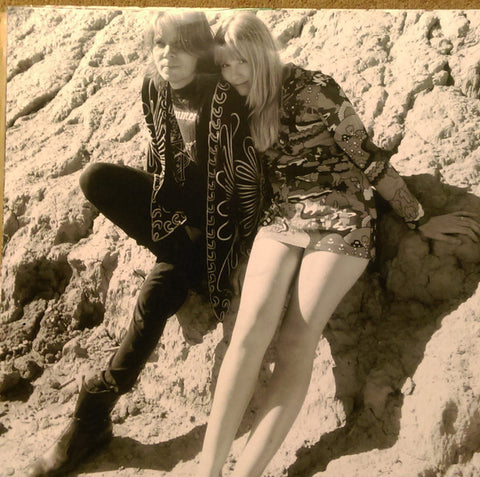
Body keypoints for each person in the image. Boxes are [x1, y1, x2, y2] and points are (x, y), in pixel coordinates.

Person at [199, 11, 480, 477]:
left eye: (241, 62)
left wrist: (419, 217)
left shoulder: (316, 88)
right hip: (284, 216)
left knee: (296, 339)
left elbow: (368, 158)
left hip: (343, 216)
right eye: (224, 65)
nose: (232, 73)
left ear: (263, 53)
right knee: (246, 336)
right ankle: (206, 472)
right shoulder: (236, 100)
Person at [26, 10, 265, 477]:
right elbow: (159, 163)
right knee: (96, 177)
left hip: (219, 230)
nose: (167, 56)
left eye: (179, 46)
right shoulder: (153, 88)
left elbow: (244, 189)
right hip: (176, 223)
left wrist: (227, 253)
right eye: (159, 44)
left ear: (199, 48)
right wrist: (166, 222)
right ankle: (179, 261)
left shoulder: (224, 96)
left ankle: (92, 415)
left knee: (157, 295)